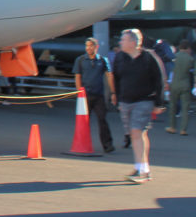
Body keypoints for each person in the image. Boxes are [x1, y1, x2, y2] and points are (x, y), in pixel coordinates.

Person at [112, 28, 166, 183]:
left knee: (136, 132)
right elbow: (116, 78)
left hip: (144, 100)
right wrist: (117, 97)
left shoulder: (149, 57)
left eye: (123, 39)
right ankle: (142, 167)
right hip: (126, 101)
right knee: (136, 134)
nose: (120, 42)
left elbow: (159, 80)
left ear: (134, 42)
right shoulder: (120, 57)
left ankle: (141, 170)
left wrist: (159, 103)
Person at [72, 37, 116, 153]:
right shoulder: (80, 60)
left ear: (96, 47)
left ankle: (108, 145)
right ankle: (82, 144)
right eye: (87, 46)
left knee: (102, 119)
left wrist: (113, 92)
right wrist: (79, 92)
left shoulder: (102, 60)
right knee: (84, 121)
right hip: (85, 95)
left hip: (98, 96)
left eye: (91, 46)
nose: (88, 48)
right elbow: (77, 76)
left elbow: (109, 75)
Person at [165, 39, 195, 136]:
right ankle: (183, 129)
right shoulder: (190, 59)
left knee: (173, 106)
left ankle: (172, 127)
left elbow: (170, 71)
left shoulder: (174, 57)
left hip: (174, 84)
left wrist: (167, 84)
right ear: (188, 48)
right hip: (185, 85)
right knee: (186, 107)